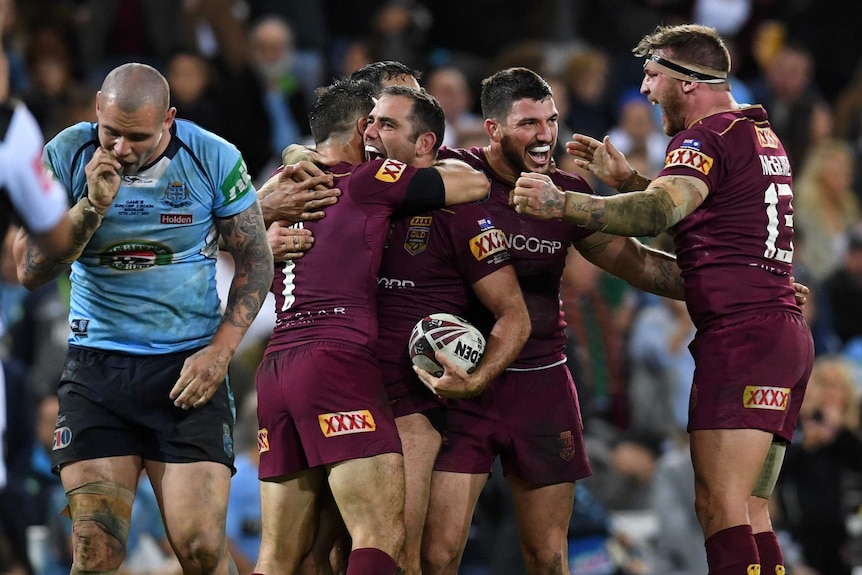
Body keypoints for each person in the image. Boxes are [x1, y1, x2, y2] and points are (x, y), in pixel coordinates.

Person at [512, 24, 814, 575]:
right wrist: (634, 178)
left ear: (688, 81)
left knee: (719, 506)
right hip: (782, 335)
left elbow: (657, 213)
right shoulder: (757, 134)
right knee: (750, 508)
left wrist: (565, 204)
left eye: (653, 76)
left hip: (742, 338)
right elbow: (716, 229)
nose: (646, 91)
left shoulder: (703, 138)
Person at [415, 67, 690, 575]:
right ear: (493, 129)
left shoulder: (564, 194)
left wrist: (738, 282)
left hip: (541, 385)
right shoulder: (451, 175)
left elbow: (641, 265)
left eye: (552, 120)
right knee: (437, 554)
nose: (545, 134)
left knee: (547, 556)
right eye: (528, 123)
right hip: (460, 386)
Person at [13, 62, 274, 575]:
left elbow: (256, 260)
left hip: (188, 372)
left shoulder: (213, 157)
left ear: (169, 121)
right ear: (96, 111)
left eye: (137, 137)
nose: (120, 149)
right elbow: (27, 269)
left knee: (199, 546)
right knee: (94, 550)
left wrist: (220, 353)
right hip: (97, 371)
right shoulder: (66, 154)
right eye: (111, 133)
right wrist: (91, 206)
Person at [252, 77, 489, 575]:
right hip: (337, 361)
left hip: (276, 370)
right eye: (375, 124)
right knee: (381, 533)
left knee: (279, 557)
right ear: (362, 128)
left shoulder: (282, 183)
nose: (379, 134)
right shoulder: (364, 181)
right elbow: (475, 184)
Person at [366, 85, 530, 574]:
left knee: (402, 555)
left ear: (424, 144)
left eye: (387, 125)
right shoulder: (355, 192)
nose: (370, 133)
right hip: (344, 388)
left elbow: (513, 314)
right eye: (371, 122)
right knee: (333, 554)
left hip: (411, 403)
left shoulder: (461, 213)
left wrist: (477, 379)